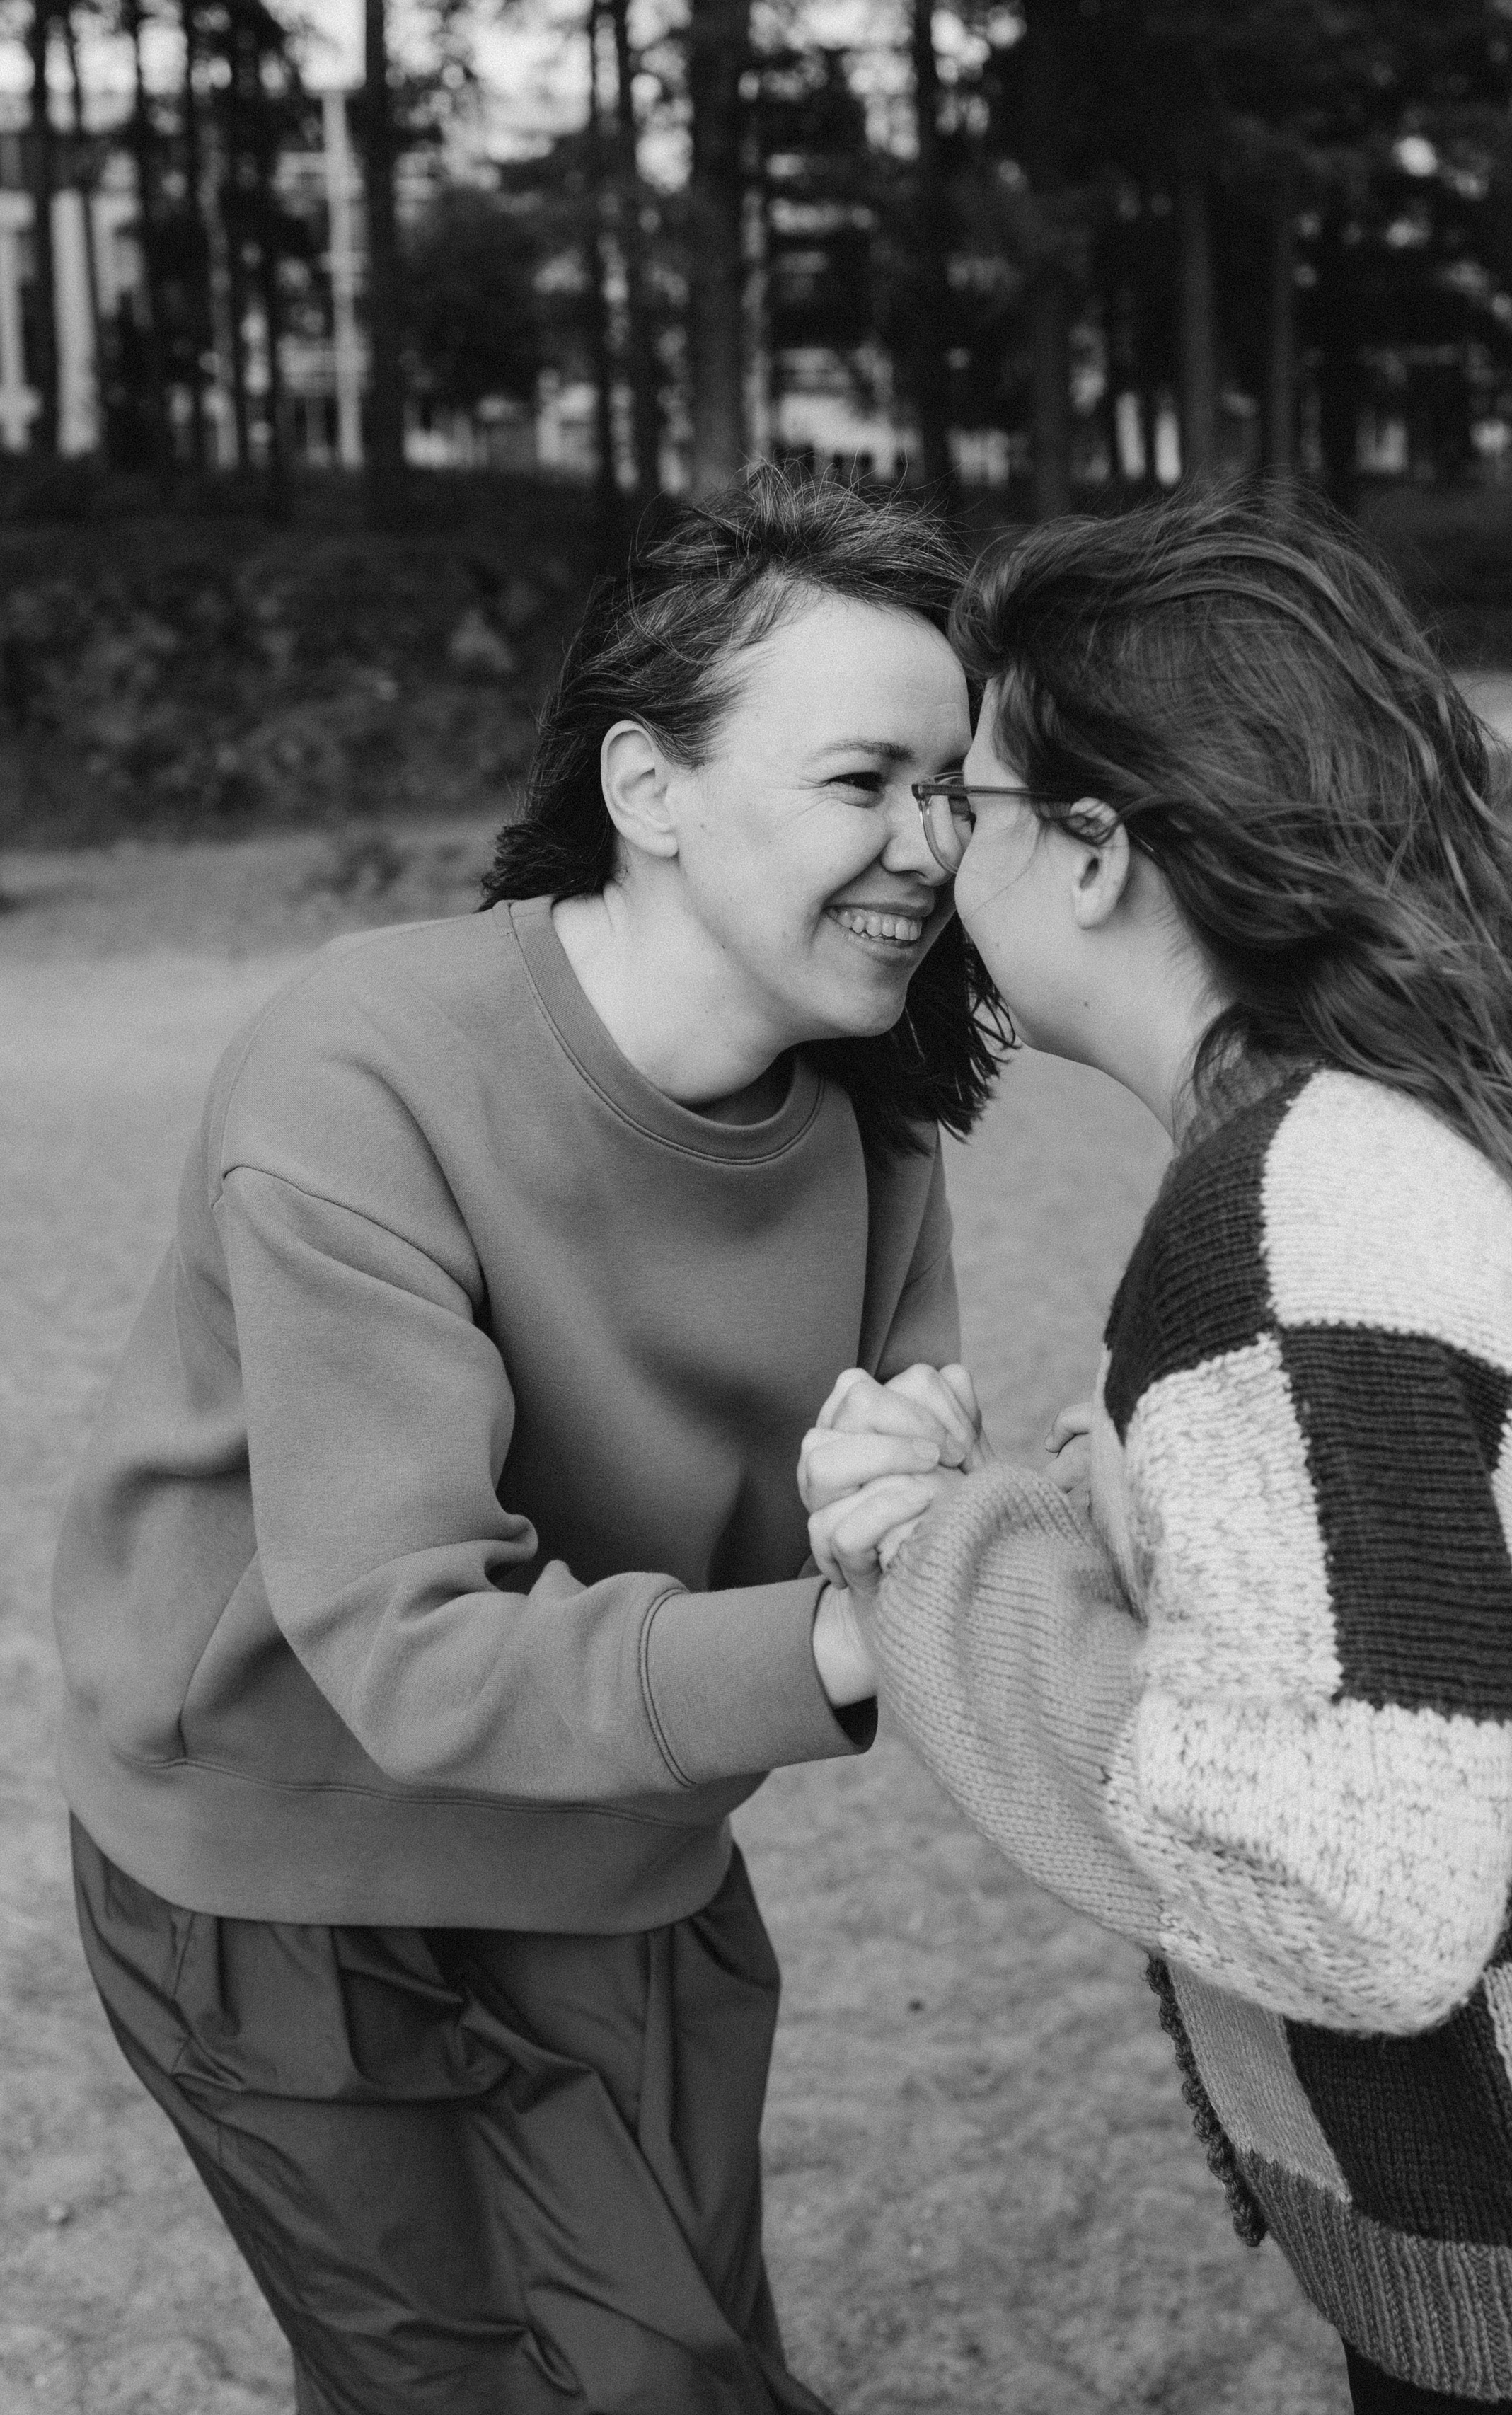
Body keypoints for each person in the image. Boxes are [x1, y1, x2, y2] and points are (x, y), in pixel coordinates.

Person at [801, 489, 1512, 2411]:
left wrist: (938, 1559)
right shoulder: (1399, 1129)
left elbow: (1349, 1888)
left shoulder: (1281, 1217)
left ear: (1097, 851)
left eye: (977, 799)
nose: (932, 846)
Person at [53, 468, 1001, 2415]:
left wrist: (921, 1508)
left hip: (614, 1851)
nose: (929, 845)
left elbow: (889, 1523)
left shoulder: (877, 1131)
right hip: (275, 1855)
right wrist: (842, 1634)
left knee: (678, 2373)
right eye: (864, 780)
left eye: (954, 787)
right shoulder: (366, 1065)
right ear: (649, 791)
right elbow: (407, 1642)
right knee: (449, 2385)